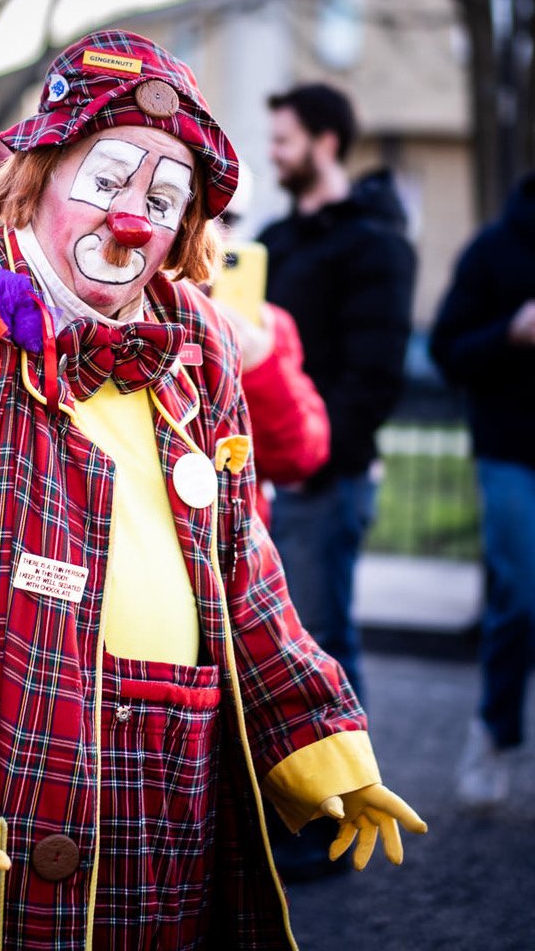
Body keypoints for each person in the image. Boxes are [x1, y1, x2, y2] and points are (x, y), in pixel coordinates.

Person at [0, 32, 426, 950]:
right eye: (108, 180)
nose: (131, 221)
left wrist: (310, 725)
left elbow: (241, 565)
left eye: (163, 200)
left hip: (174, 790)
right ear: (36, 177)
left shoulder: (200, 339)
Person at [258, 84, 416, 706]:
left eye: (284, 140)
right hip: (262, 467)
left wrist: (309, 460)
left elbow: (374, 378)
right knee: (266, 647)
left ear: (325, 143)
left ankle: (347, 769)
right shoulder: (273, 240)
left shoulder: (376, 244)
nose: (273, 152)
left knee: (319, 646)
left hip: (324, 479)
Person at [429, 170, 535, 808]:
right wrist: (510, 333)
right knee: (520, 597)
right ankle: (493, 733)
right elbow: (446, 349)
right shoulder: (496, 249)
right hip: (511, 453)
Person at [206, 161, 330, 524]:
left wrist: (259, 364)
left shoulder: (266, 326)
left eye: (227, 217)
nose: (209, 230)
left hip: (230, 537)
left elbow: (300, 457)